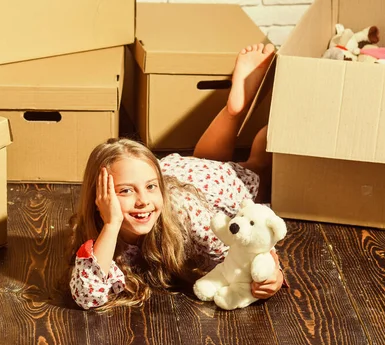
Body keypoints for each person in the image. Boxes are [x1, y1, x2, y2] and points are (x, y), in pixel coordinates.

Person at [66, 43, 283, 310]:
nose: (143, 201)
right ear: (100, 198)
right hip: (173, 174)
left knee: (256, 167)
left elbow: (244, 248)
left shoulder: (188, 216)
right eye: (125, 191)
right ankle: (233, 113)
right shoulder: (99, 230)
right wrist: (112, 226)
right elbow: (88, 296)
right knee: (205, 159)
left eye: (148, 188)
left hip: (204, 186)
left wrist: (274, 272)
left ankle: (253, 112)